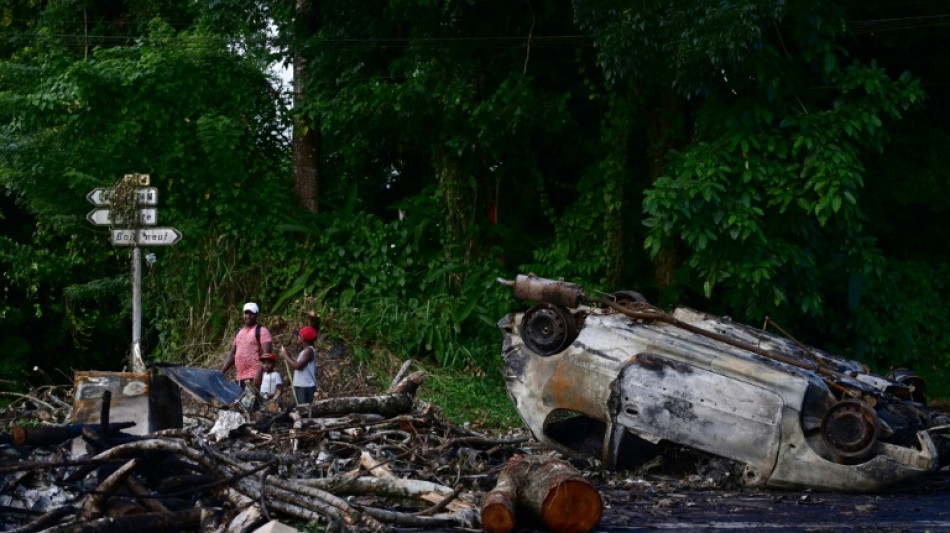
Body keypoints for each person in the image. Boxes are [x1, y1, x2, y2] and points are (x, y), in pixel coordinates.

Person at [220, 302, 273, 389]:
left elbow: (267, 354)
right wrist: (222, 371)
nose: (248, 316)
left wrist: (259, 373)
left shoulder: (262, 331)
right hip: (240, 377)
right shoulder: (239, 332)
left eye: (251, 313)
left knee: (256, 402)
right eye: (246, 313)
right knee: (243, 402)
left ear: (256, 315)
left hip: (255, 376)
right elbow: (233, 353)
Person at [280, 324, 318, 404]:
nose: (297, 337)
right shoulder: (304, 351)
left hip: (305, 387)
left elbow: (298, 366)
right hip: (300, 385)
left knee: (303, 411)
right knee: (296, 410)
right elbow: (300, 366)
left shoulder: (309, 351)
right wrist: (289, 356)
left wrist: (285, 356)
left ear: (303, 338)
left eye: (299, 336)